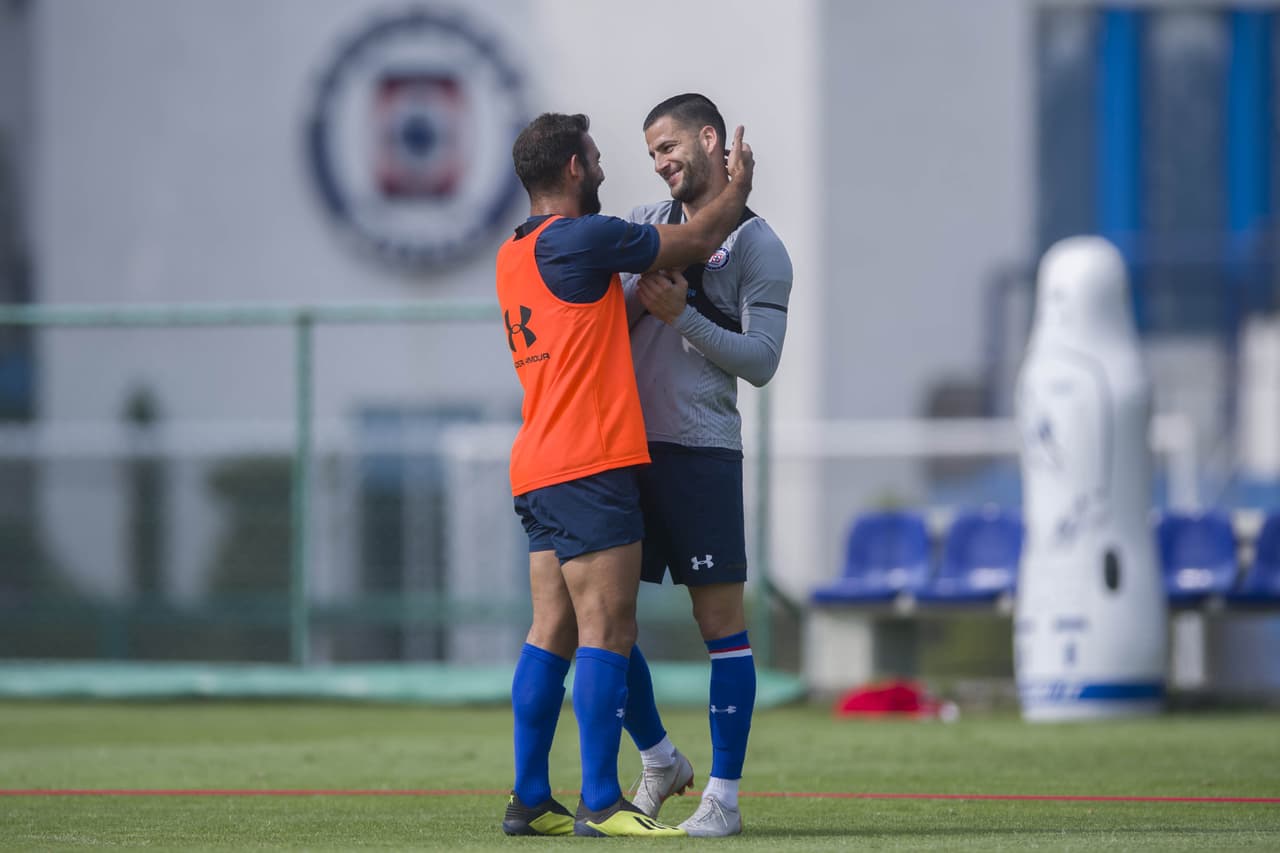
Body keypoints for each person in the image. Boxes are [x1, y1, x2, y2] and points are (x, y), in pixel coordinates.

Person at [495, 111, 754, 838]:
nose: (607, 170)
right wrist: (737, 186)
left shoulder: (516, 252)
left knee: (551, 630)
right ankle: (603, 801)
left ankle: (528, 797)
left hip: (537, 464)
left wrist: (641, 301)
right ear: (574, 168)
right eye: (599, 158)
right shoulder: (584, 238)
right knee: (609, 629)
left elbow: (587, 322)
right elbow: (700, 238)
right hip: (591, 461)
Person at [619, 93, 793, 837]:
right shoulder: (642, 227)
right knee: (601, 622)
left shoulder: (761, 246)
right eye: (651, 152)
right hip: (623, 452)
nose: (660, 163)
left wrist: (681, 315)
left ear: (709, 139)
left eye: (668, 145)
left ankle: (722, 794)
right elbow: (600, 324)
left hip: (703, 454)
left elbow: (761, 362)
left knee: (721, 625)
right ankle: (659, 757)